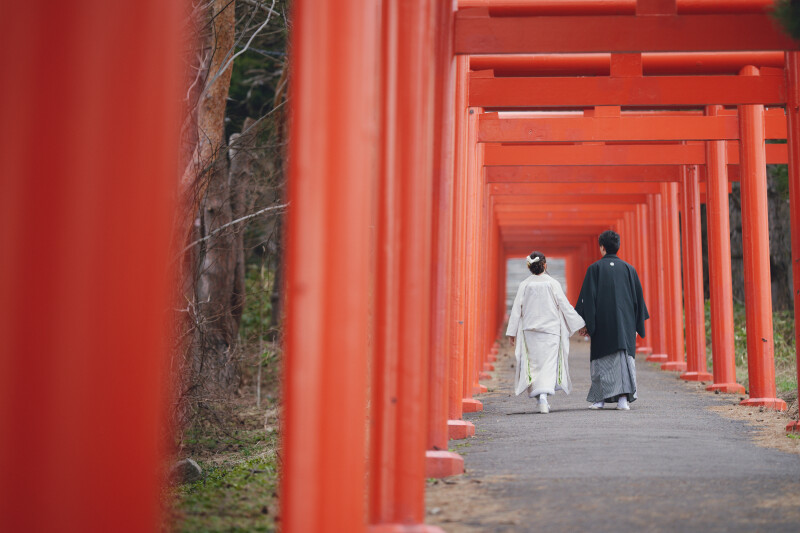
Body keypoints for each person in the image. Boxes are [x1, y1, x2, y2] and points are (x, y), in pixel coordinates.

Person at [575, 230, 649, 411]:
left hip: (602, 324)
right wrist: (636, 324)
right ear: (618, 246)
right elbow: (638, 300)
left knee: (601, 361)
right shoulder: (629, 269)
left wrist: (586, 323)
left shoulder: (594, 269)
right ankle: (623, 399)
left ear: (601, 247)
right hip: (625, 325)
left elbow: (587, 299)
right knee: (623, 361)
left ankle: (600, 400)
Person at [506, 251, 586, 414]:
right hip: (551, 331)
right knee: (548, 366)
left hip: (530, 331)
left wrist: (512, 332)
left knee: (533, 366)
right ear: (545, 265)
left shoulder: (525, 285)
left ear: (529, 267)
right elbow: (565, 306)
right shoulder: (552, 283)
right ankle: (543, 398)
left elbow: (516, 310)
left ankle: (540, 398)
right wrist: (580, 324)